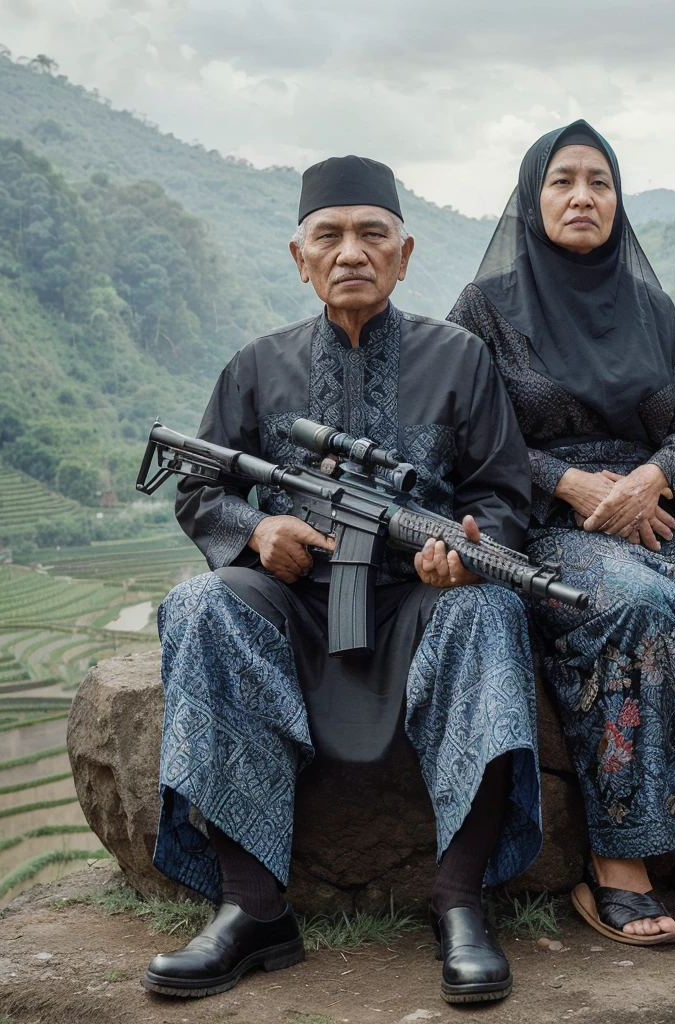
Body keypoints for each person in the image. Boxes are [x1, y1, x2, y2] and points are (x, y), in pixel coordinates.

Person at [142, 155, 541, 1004]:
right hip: (289, 603)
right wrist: (258, 529)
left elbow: (504, 497)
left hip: (416, 602)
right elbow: (200, 487)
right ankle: (252, 910)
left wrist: (467, 552)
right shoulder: (255, 366)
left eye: (372, 234)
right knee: (201, 604)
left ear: (404, 253)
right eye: (330, 235)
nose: (350, 252)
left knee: (492, 612)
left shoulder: (461, 360)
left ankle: (460, 903)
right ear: (299, 257)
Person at [447, 121, 675, 947]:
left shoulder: (650, 305)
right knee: (635, 607)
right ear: (533, 199)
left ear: (617, 199)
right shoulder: (486, 309)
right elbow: (461, 425)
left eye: (600, 183)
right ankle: (617, 864)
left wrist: (651, 479)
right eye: (563, 181)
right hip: (543, 519)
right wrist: (567, 482)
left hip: (654, 513)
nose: (583, 197)